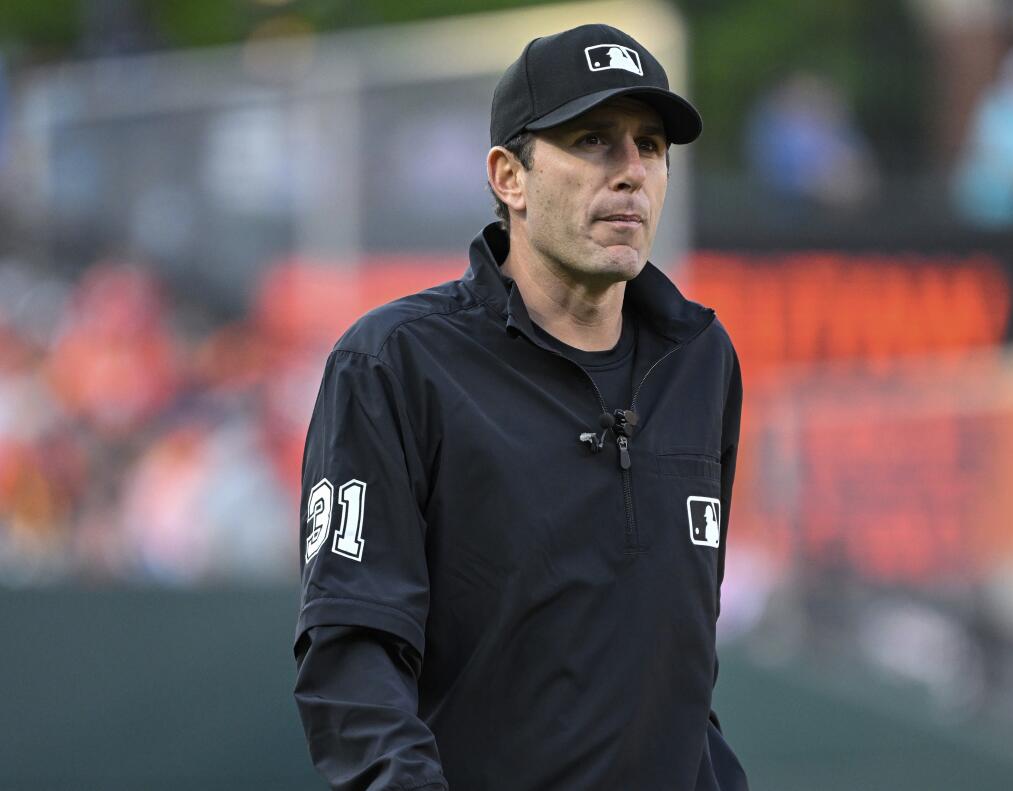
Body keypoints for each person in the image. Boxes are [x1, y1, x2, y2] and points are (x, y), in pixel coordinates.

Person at [293, 23, 748, 791]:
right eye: (595, 141)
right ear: (510, 176)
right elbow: (351, 661)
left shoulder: (701, 361)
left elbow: (679, 667)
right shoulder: (395, 362)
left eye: (650, 144)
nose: (632, 172)